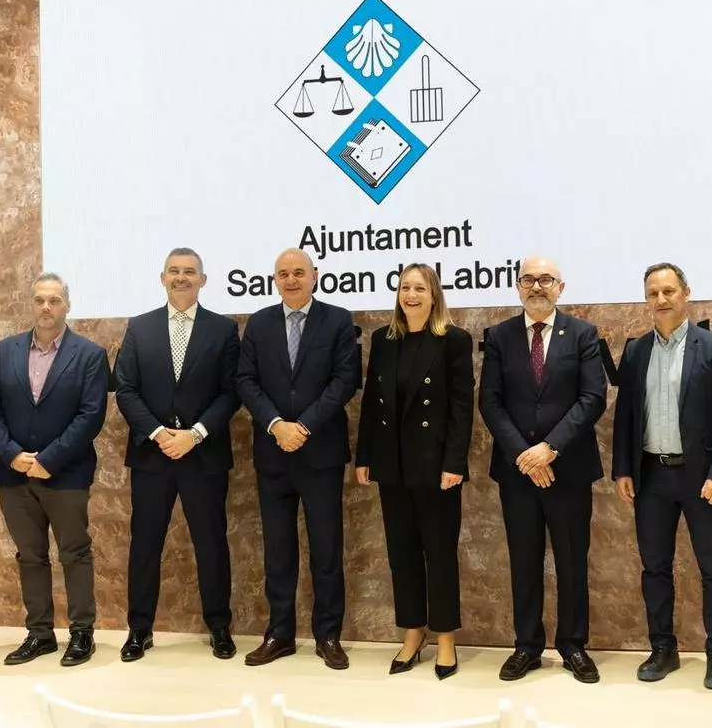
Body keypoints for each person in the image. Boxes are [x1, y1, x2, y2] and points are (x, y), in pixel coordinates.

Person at [612, 262, 712, 690]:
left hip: (701, 478)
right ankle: (663, 648)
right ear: (646, 299)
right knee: (655, 568)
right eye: (653, 293)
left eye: (669, 291)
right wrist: (623, 468)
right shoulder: (636, 352)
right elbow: (625, 416)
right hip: (651, 476)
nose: (661, 299)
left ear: (685, 293)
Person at [478, 256, 606, 684]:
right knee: (524, 561)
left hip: (568, 471)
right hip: (518, 474)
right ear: (517, 287)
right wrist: (525, 456)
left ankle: (573, 646)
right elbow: (490, 401)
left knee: (572, 562)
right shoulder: (499, 336)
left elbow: (592, 398)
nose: (537, 286)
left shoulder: (583, 334)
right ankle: (527, 646)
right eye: (528, 279)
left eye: (546, 279)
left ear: (560, 288)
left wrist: (549, 449)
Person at [113, 248, 241, 662]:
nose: (181, 277)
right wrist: (157, 433)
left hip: (203, 455)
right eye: (174, 271)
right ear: (162, 278)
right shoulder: (139, 327)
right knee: (145, 545)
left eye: (189, 272)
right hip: (152, 456)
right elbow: (125, 389)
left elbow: (231, 392)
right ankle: (139, 630)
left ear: (203, 280)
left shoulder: (223, 329)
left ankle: (219, 627)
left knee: (211, 543)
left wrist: (195, 434)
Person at [237, 248, 361, 670]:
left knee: (326, 549)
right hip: (273, 454)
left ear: (315, 276)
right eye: (283, 274)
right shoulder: (259, 323)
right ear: (275, 279)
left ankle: (328, 635)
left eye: (298, 273)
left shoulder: (337, 320)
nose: (291, 280)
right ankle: (280, 634)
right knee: (278, 551)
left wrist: (303, 426)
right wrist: (276, 425)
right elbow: (245, 381)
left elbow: (345, 380)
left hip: (320, 452)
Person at [0, 273, 109, 667]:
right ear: (31, 304)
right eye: (39, 300)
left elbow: (90, 415)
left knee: (74, 552)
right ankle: (40, 634)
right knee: (30, 556)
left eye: (54, 300)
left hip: (66, 474)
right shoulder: (6, 350)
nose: (46, 307)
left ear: (67, 305)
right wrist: (12, 455)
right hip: (14, 475)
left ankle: (82, 633)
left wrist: (48, 460)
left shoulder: (89, 354)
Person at [355, 263, 474, 680]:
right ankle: (412, 632)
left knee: (439, 555)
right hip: (392, 465)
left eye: (419, 288)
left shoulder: (453, 340)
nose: (411, 295)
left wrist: (454, 463)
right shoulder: (383, 339)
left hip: (436, 467)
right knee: (402, 555)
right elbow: (372, 402)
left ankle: (445, 637)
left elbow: (462, 408)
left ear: (434, 294)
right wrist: (365, 456)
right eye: (405, 287)